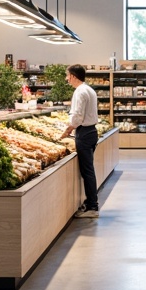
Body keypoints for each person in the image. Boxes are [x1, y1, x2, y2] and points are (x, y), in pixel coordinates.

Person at [59, 64, 100, 218]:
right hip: (92, 132)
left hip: (83, 133)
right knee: (88, 170)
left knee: (87, 171)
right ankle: (91, 203)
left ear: (74, 76)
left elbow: (77, 116)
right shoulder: (89, 90)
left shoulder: (79, 92)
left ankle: (92, 207)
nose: (66, 79)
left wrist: (68, 129)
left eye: (67, 75)